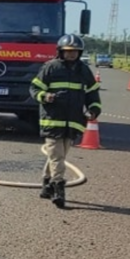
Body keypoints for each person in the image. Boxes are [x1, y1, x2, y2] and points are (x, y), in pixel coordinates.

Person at [29, 34, 102, 208]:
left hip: (73, 121)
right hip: (52, 120)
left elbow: (92, 92)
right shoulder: (50, 68)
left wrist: (94, 109)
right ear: (60, 52)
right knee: (57, 156)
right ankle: (58, 189)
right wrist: (45, 96)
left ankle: (46, 184)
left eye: (74, 52)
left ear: (79, 52)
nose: (71, 55)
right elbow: (34, 88)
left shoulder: (84, 70)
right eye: (67, 51)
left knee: (59, 156)